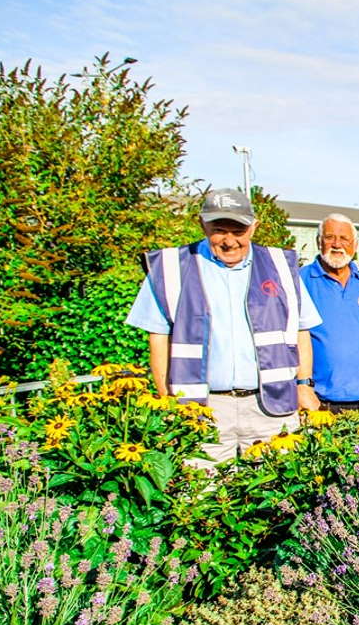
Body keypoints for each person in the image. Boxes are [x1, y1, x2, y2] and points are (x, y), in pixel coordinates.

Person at [125, 188, 321, 462]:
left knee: (278, 497)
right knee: (202, 495)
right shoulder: (171, 268)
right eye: (219, 230)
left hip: (271, 408)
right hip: (200, 409)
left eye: (238, 231)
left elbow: (302, 331)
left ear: (254, 227)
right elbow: (159, 338)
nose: (229, 241)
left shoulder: (280, 267)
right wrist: (164, 400)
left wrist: (304, 385)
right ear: (201, 224)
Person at [299, 214, 359, 413]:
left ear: (355, 245)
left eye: (344, 239)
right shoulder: (300, 281)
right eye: (330, 237)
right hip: (320, 401)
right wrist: (300, 387)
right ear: (318, 241)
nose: (337, 244)